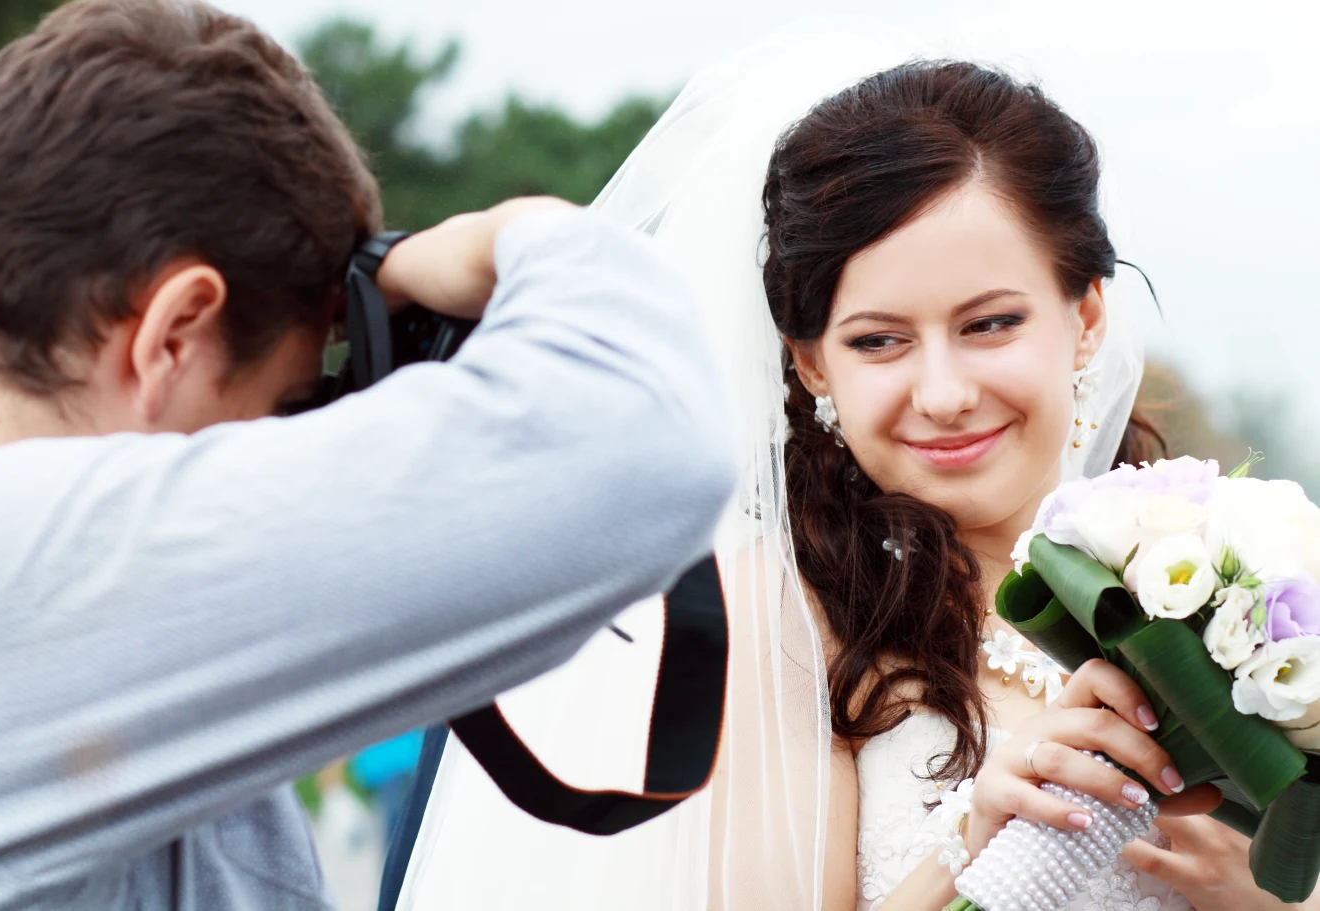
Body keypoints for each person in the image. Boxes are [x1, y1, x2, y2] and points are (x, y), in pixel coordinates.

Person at [399, 26, 1313, 911]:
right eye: (879, 341)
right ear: (810, 365)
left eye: (990, 323)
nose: (945, 391)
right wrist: (975, 843)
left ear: (1085, 319)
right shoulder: (781, 623)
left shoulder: (1251, 578)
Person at [0, 0, 739, 908]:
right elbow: (648, 428)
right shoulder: (24, 562)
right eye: (284, 403)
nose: (279, 444)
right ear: (173, 337)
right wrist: (503, 236)